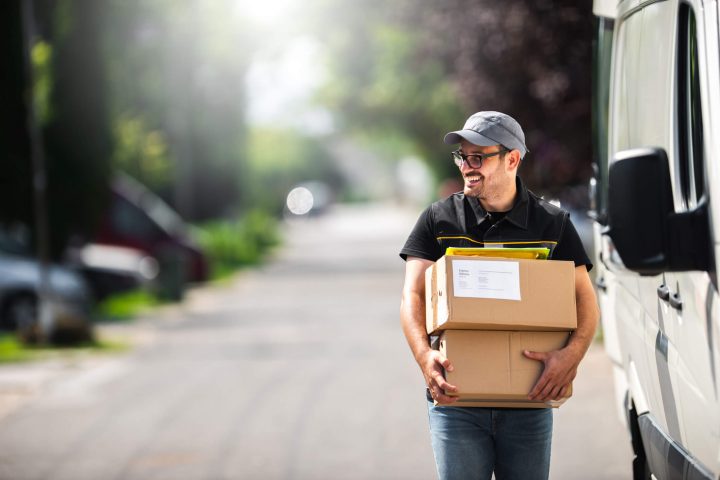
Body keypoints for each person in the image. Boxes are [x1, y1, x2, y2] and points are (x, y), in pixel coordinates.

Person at [399, 111, 599, 480]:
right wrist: (425, 357)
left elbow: (585, 300)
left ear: (512, 159)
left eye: (479, 157)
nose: (467, 166)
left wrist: (571, 356)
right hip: (455, 402)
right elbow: (413, 295)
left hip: (528, 403)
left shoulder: (552, 224)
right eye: (463, 157)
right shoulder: (438, 220)